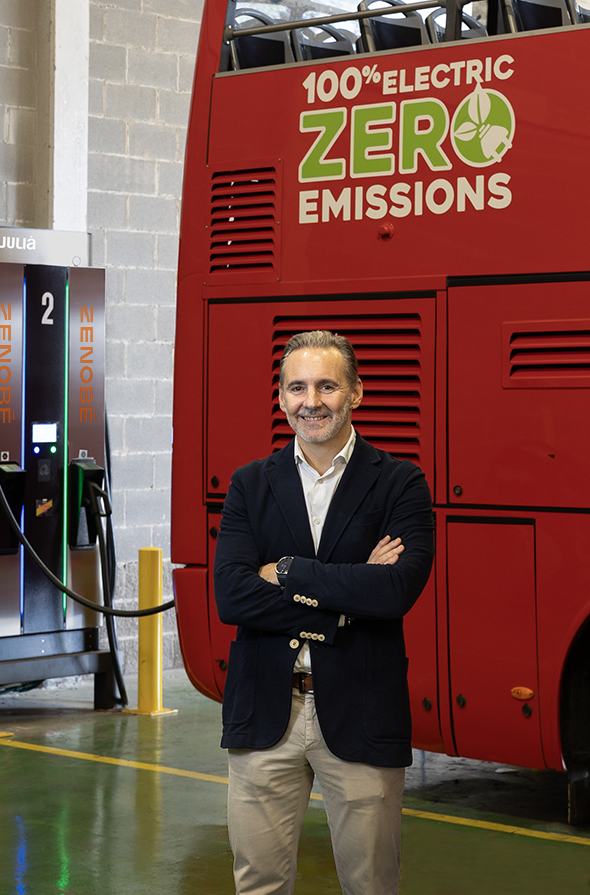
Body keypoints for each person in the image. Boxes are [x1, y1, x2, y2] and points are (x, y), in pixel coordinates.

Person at [213, 329, 434, 895]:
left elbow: (396, 591)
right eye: (298, 387)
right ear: (282, 398)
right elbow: (232, 596)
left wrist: (286, 570)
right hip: (266, 707)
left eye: (327, 385)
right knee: (258, 883)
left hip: (362, 710)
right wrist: (344, 599)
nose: (312, 400)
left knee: (372, 884)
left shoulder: (400, 483)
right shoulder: (249, 485)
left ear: (356, 393)